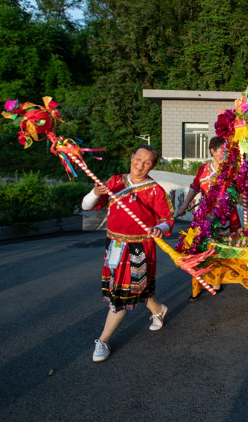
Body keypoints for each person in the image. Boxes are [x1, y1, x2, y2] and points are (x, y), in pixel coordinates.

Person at [81, 145, 174, 362]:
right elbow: (87, 206)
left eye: (147, 162)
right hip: (114, 245)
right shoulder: (115, 182)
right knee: (135, 287)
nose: (140, 164)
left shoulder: (155, 190)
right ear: (131, 157)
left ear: (153, 165)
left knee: (121, 296)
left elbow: (167, 220)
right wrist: (95, 192)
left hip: (139, 248)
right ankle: (158, 310)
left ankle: (103, 340)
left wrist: (159, 229)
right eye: (138, 158)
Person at [175, 136, 237, 300]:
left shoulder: (230, 169)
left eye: (227, 150)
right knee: (199, 248)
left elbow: (240, 187)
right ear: (212, 151)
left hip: (225, 216)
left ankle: (216, 280)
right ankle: (198, 284)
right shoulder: (203, 169)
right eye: (221, 150)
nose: (224, 153)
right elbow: (195, 187)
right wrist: (184, 205)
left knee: (217, 249)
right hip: (204, 215)